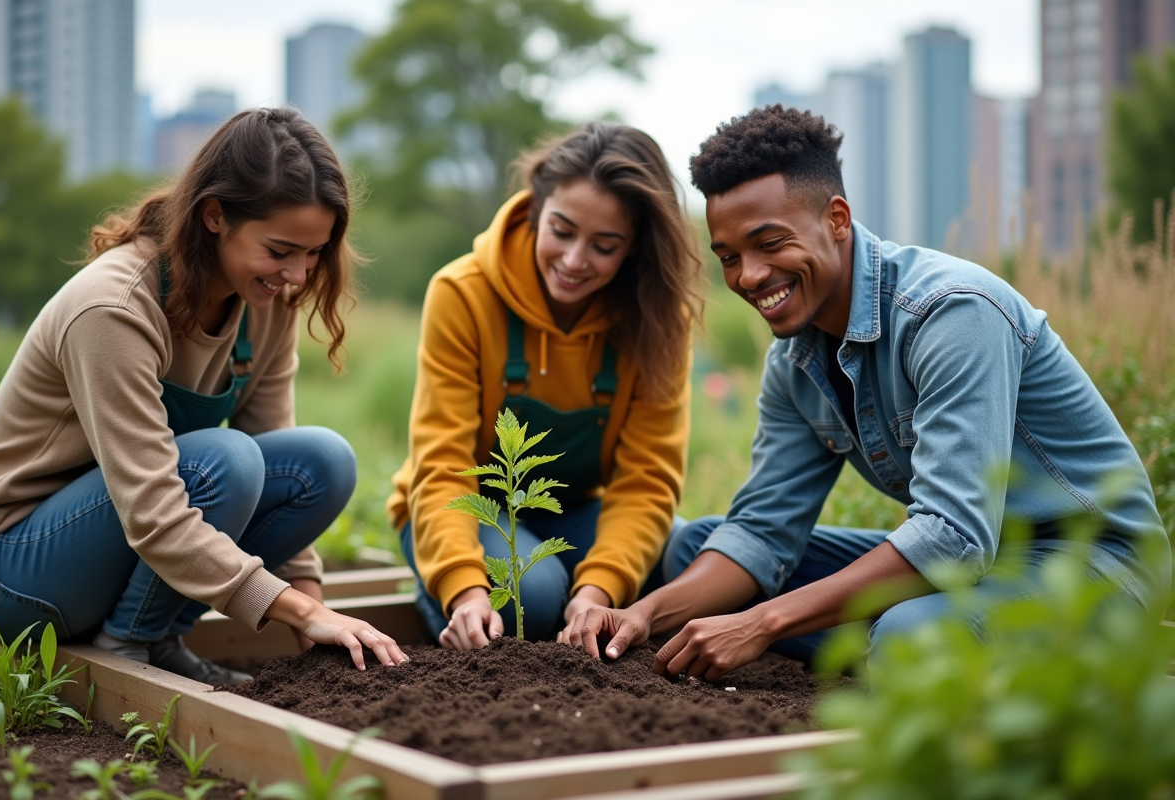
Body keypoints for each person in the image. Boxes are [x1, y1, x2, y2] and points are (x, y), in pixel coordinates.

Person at [561, 105, 1171, 679]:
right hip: (978, 572)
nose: (748, 276)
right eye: (728, 256)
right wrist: (645, 613)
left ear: (837, 219)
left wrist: (760, 623)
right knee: (697, 544)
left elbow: (952, 537)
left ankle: (912, 644)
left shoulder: (951, 313)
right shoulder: (794, 361)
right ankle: (920, 644)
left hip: (1089, 566)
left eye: (770, 243)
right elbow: (763, 531)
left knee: (910, 633)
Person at [0, 108, 406, 684]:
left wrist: (308, 599)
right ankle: (128, 652)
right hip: (19, 573)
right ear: (214, 216)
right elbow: (154, 506)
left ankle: (160, 638)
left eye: (313, 253)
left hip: (127, 547)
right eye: (280, 251)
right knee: (223, 462)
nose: (299, 276)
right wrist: (299, 608)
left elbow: (274, 449)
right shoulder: (114, 309)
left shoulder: (265, 304)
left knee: (322, 461)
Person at [390, 122, 703, 650]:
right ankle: (445, 599)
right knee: (527, 597)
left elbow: (646, 482)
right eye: (562, 230)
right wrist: (465, 590)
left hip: (575, 512)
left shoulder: (655, 320)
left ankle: (567, 589)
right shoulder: (462, 295)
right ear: (536, 208)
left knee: (687, 562)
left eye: (605, 246)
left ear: (633, 249)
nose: (575, 260)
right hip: (467, 509)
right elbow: (443, 465)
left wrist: (599, 590)